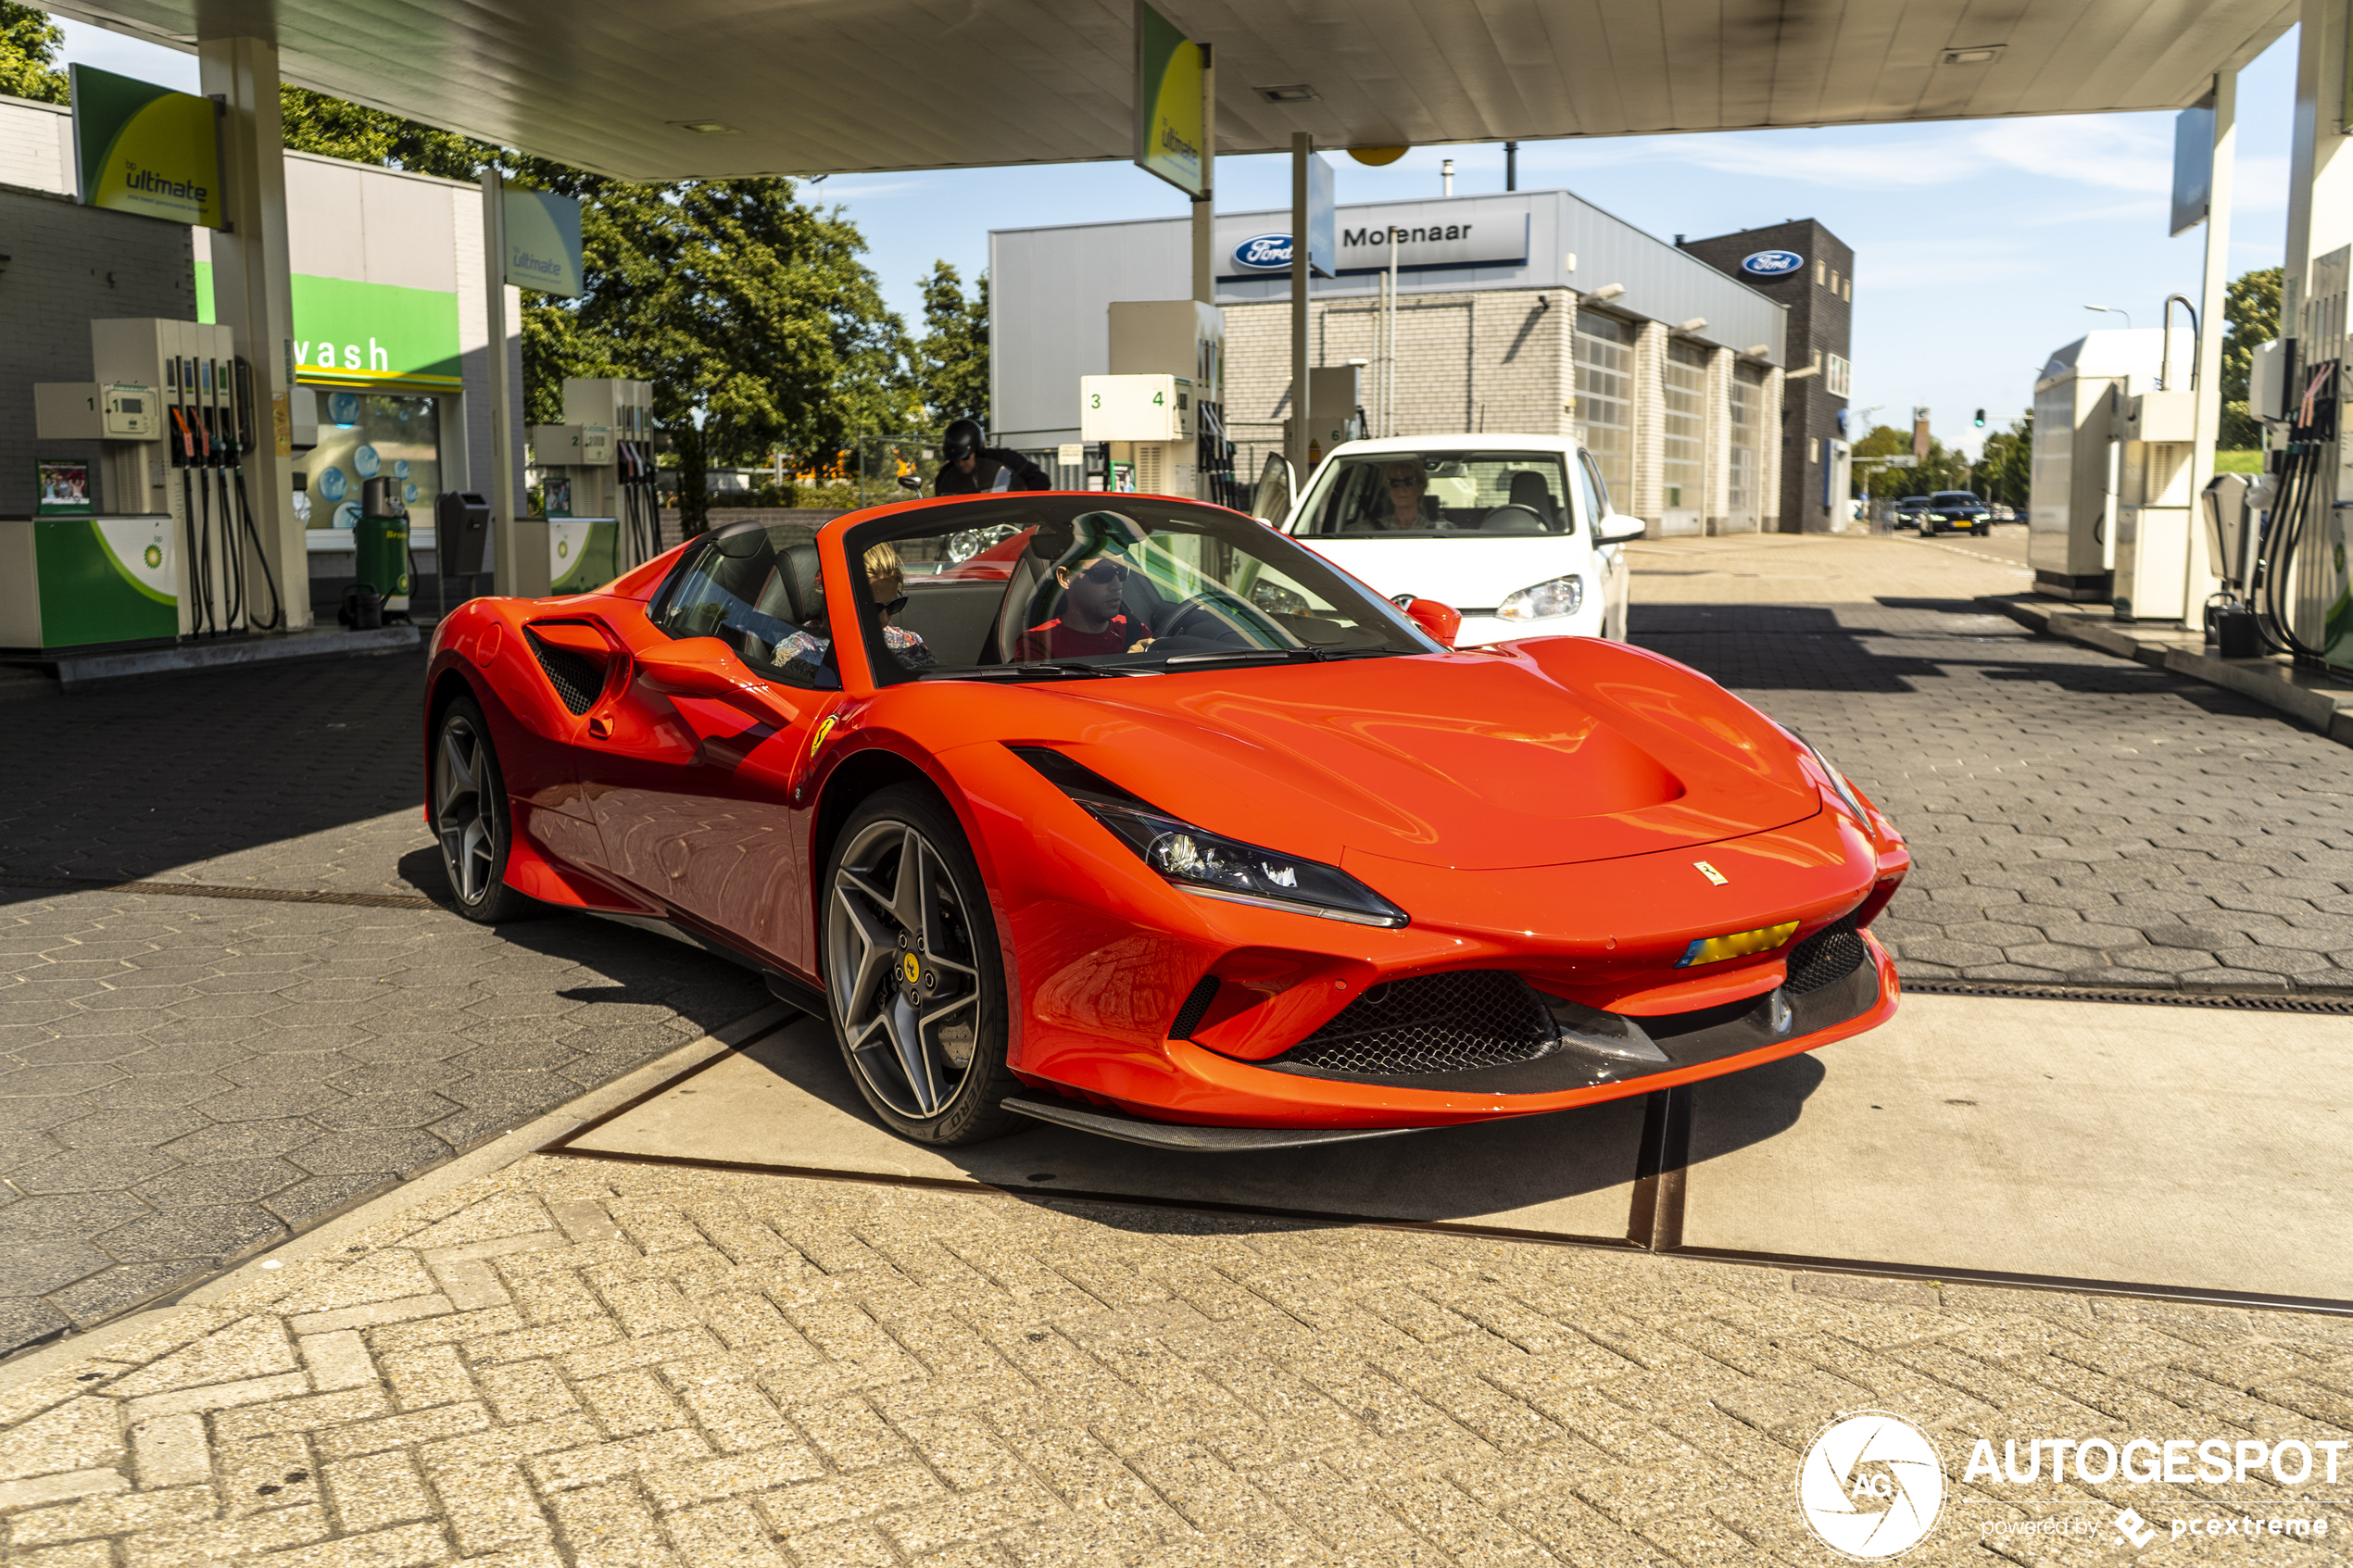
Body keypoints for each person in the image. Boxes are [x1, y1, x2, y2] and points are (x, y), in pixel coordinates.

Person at [934, 419, 1051, 495]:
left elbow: (1040, 480)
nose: (960, 463)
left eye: (965, 457)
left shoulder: (1005, 459)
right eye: (955, 459)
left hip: (1007, 523)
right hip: (967, 530)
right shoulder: (947, 476)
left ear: (977, 450)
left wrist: (1021, 503)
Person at [1351, 459, 1439, 530]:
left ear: (1420, 488)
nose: (1401, 489)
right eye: (1394, 483)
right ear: (1389, 490)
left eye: (1408, 482)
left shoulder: (1435, 530)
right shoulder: (1369, 529)